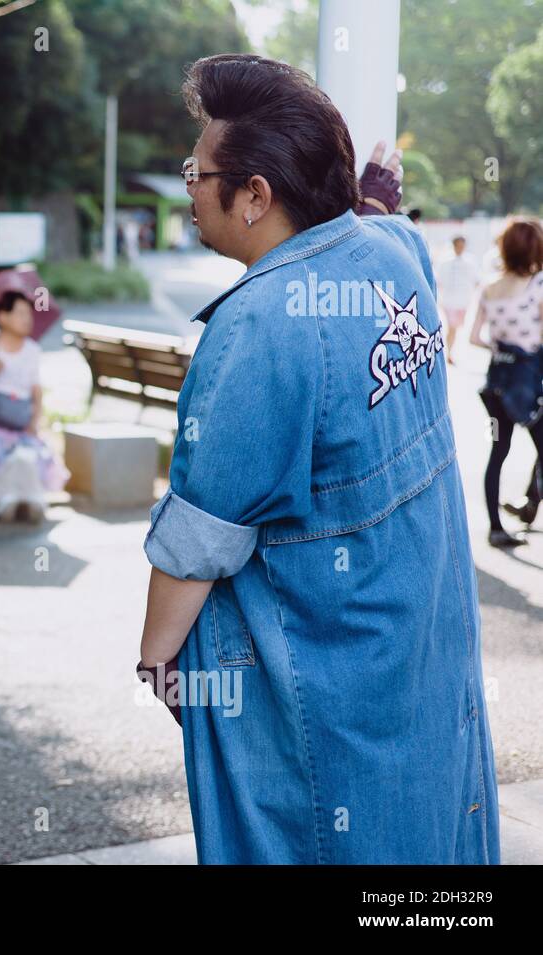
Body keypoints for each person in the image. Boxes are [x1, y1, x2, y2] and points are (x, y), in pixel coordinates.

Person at [136, 54, 496, 864]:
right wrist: (369, 197)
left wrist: (156, 659)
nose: (190, 186)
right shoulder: (394, 257)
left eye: (199, 170)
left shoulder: (260, 324)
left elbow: (200, 535)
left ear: (256, 195)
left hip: (314, 678)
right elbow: (373, 226)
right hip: (414, 651)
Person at [0, 290, 69, 521]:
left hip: (19, 420)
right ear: (2, 317)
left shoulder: (32, 350)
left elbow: (36, 390)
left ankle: (31, 500)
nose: (27, 319)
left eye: (29, 313)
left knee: (34, 452)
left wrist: (34, 421)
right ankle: (3, 500)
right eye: (19, 313)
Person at [466, 218, 543, 548]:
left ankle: (496, 527)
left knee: (498, 453)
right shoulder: (538, 285)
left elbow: (474, 338)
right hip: (529, 386)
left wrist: (502, 347)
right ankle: (530, 504)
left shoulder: (489, 288)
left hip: (496, 384)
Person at [436, 235, 479, 363]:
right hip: (448, 300)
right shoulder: (445, 261)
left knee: (454, 328)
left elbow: (476, 280)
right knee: (451, 327)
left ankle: (449, 350)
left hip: (463, 300)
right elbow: (439, 280)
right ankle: (448, 352)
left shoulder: (470, 261)